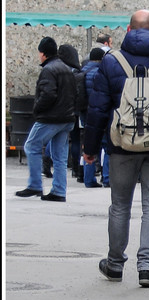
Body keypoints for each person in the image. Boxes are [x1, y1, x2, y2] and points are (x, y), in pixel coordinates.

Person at [83, 9, 149, 288]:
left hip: (121, 148)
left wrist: (90, 148)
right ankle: (146, 268)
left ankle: (115, 265)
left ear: (128, 31)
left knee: (120, 206)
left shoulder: (110, 63)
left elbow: (97, 110)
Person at [15, 37, 76, 202]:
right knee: (59, 156)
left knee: (31, 145)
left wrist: (37, 108)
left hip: (51, 118)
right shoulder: (66, 68)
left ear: (43, 53)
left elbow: (48, 94)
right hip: (67, 118)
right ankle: (59, 191)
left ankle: (35, 184)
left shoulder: (49, 70)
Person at [82, 47, 110, 188]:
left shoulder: (82, 72)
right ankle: (106, 178)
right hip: (99, 113)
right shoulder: (101, 73)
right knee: (106, 145)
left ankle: (88, 179)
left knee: (89, 147)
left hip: (84, 115)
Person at [58, 44, 86, 184]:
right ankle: (75, 168)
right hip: (75, 111)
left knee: (59, 140)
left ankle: (50, 164)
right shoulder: (78, 73)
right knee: (76, 140)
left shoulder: (58, 70)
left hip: (61, 110)